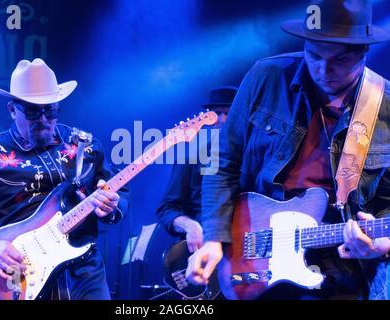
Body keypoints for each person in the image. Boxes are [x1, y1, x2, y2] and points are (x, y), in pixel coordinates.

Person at [186, 0, 390, 300]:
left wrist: (382, 243)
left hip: (345, 268)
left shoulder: (384, 106)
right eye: (314, 55)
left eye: (339, 60)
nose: (323, 69)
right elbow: (223, 161)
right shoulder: (266, 77)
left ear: (363, 52)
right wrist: (215, 239)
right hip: (258, 253)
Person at [0, 58, 129, 300]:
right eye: (32, 111)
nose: (43, 119)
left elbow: (119, 193)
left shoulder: (85, 145)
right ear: (11, 110)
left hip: (84, 274)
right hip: (19, 276)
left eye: (51, 110)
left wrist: (113, 206)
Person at [156, 86, 237, 254]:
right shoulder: (190, 158)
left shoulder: (256, 158)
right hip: (203, 252)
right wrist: (189, 225)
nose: (221, 120)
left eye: (228, 113)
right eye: (215, 114)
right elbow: (167, 209)